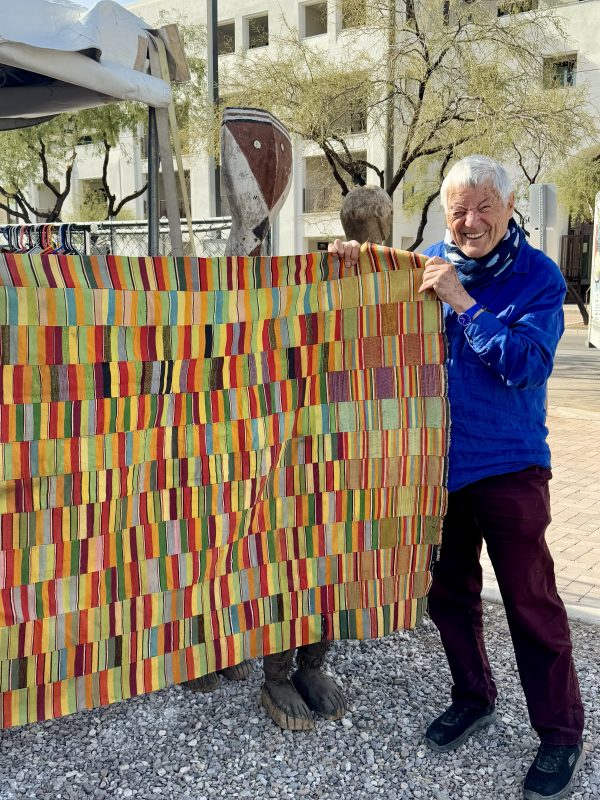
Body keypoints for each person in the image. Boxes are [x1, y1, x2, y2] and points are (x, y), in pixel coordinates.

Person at [329, 155, 585, 800]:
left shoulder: (539, 276)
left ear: (509, 207)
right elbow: (373, 327)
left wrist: (463, 303)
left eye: (483, 208)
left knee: (531, 603)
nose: (470, 222)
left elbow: (526, 365)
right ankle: (473, 697)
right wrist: (350, 268)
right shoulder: (428, 265)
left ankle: (561, 734)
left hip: (510, 468)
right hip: (436, 469)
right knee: (450, 598)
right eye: (458, 211)